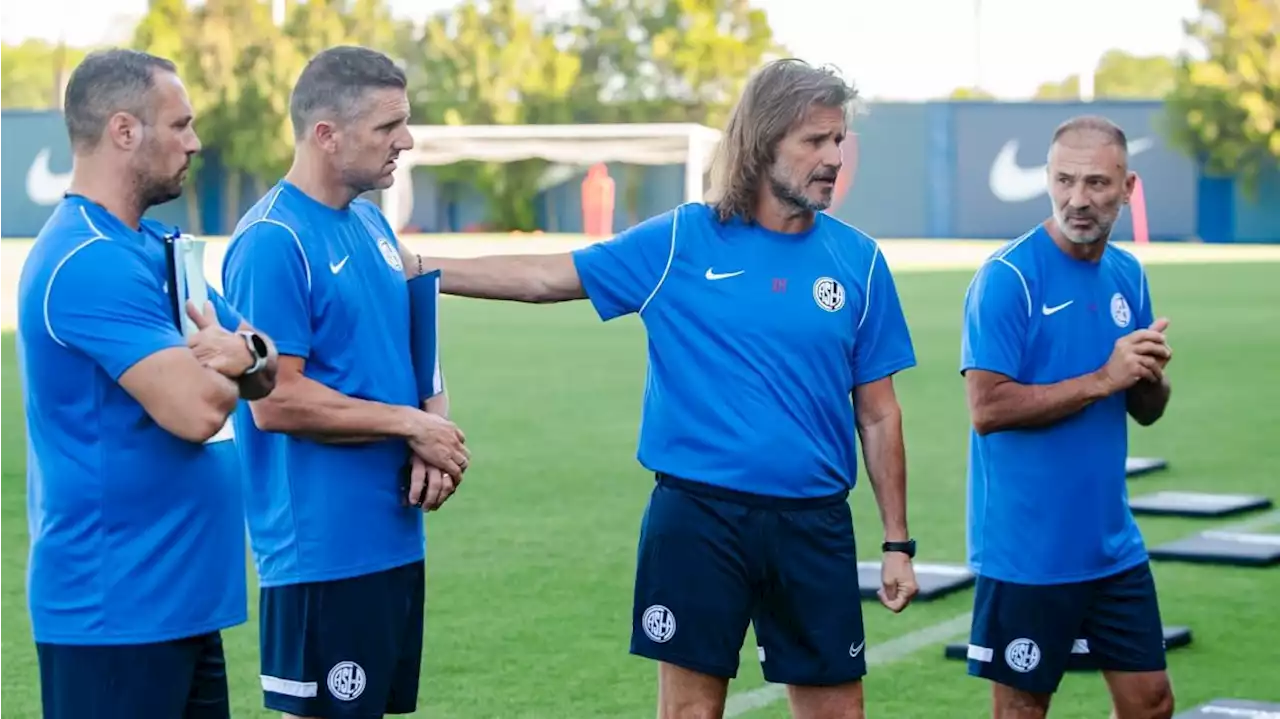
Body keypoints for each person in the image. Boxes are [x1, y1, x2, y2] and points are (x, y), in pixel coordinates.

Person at [401, 58, 920, 719]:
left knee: (837, 714)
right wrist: (426, 269)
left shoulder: (860, 261)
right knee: (689, 713)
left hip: (813, 522)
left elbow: (878, 415)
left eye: (838, 139)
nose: (833, 158)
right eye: (814, 141)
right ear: (762, 143)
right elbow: (545, 277)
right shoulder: (682, 240)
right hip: (699, 518)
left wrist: (897, 541)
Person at [16, 48, 280, 719]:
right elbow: (197, 409)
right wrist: (236, 361)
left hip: (182, 603)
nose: (195, 142)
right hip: (116, 613)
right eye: (180, 125)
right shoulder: (86, 260)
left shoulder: (155, 245)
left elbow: (264, 356)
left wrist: (238, 355)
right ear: (125, 131)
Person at [220, 45, 469, 719]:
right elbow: (275, 397)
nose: (406, 141)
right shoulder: (272, 241)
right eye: (388, 127)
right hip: (321, 554)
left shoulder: (369, 220)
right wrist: (412, 424)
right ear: (327, 135)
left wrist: (433, 430)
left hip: (391, 536)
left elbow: (414, 335)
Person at [959, 114, 1175, 719]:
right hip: (1028, 550)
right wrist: (1104, 377)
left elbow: (1146, 410)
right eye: (1064, 181)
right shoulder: (1007, 279)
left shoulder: (1128, 274)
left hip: (1111, 545)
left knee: (1151, 702)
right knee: (1024, 711)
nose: (1078, 200)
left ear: (1127, 188)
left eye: (1098, 184)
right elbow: (987, 408)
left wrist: (1148, 376)